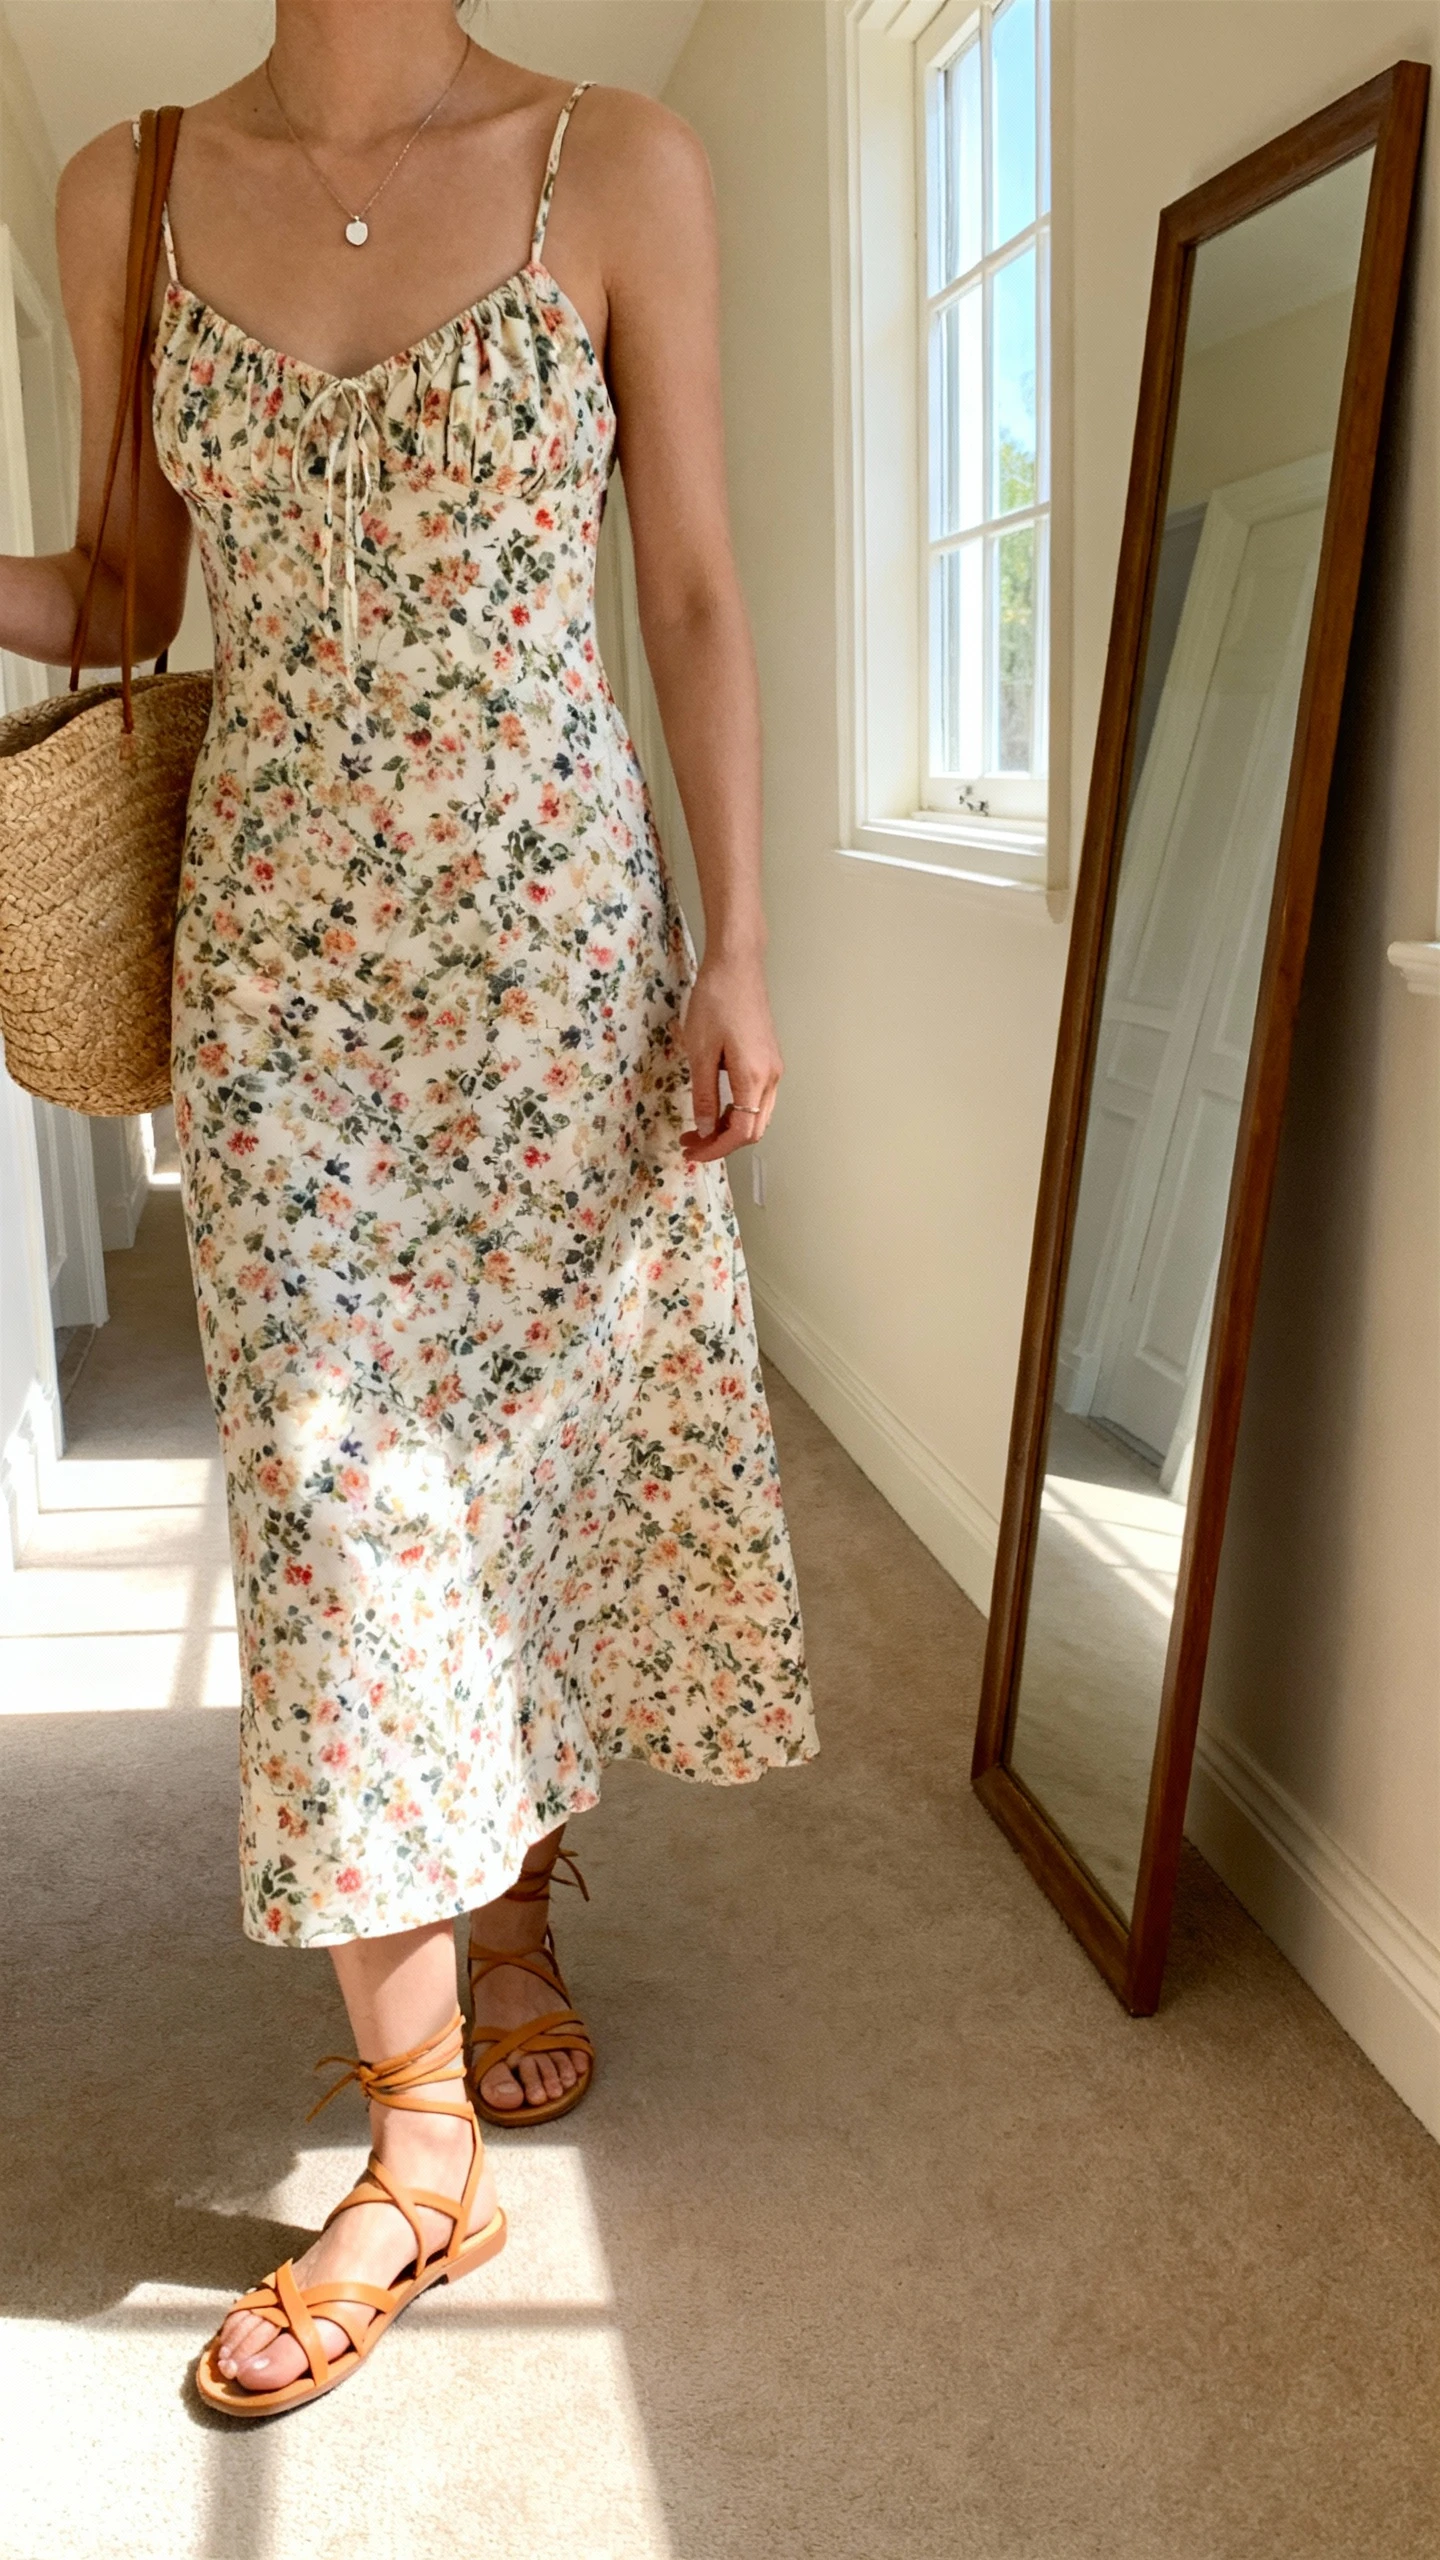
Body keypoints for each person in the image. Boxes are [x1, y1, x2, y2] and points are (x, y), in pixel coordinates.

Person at [0, 0, 815, 2416]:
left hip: (560, 962)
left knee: (530, 1483)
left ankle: (517, 1891)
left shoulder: (618, 164)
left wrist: (742, 937)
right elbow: (132, 582)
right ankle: (419, 2132)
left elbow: (685, 591)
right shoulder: (126, 189)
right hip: (282, 988)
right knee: (338, 1511)